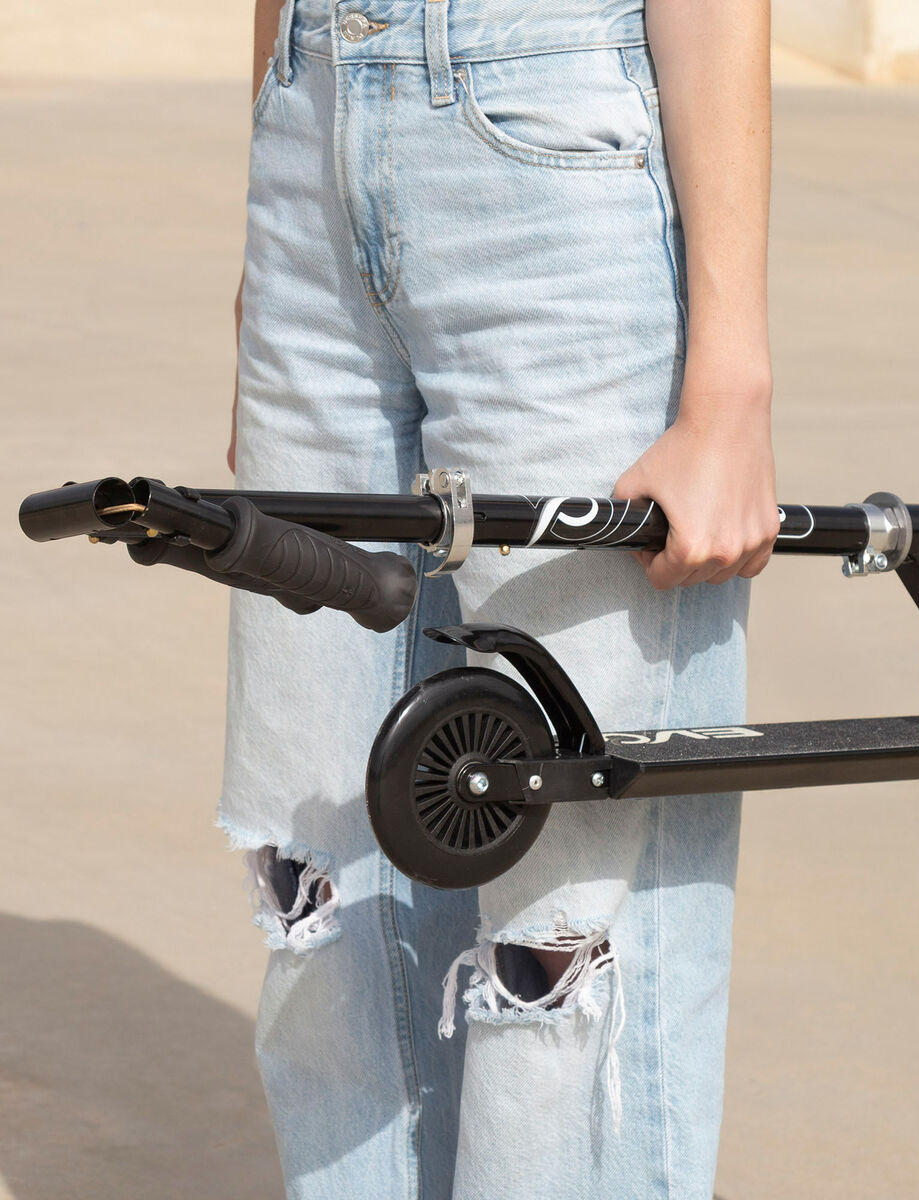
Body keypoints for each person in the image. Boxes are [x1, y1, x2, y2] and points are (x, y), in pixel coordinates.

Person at [223, 0, 776, 1194]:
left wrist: (730, 380)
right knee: (318, 876)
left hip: (545, 142)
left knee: (565, 932)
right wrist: (270, 234)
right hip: (310, 125)